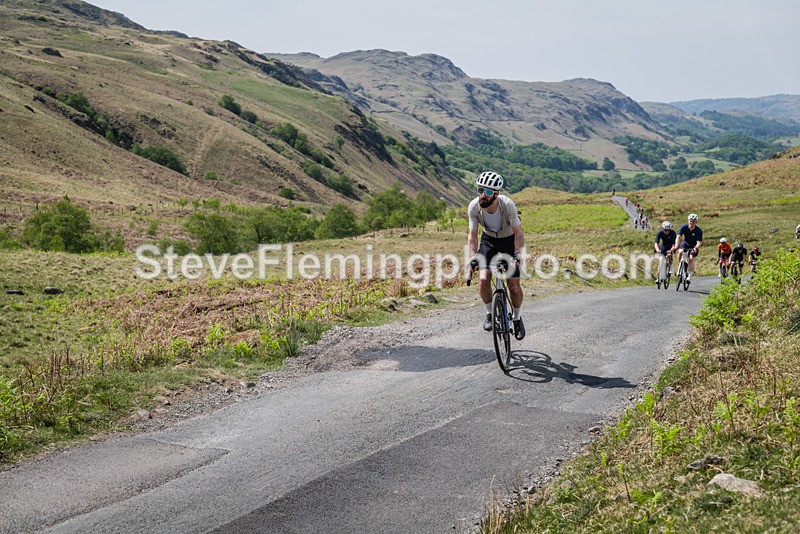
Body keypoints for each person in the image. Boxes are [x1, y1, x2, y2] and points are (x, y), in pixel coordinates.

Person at [467, 171, 526, 340]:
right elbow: (472, 235)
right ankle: (489, 314)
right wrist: (473, 257)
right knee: (484, 279)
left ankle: (516, 318)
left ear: (496, 194)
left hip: (509, 240)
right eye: (480, 190)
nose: (482, 196)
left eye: (486, 192)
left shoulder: (507, 205)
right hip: (489, 241)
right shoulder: (474, 207)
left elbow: (519, 233)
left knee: (513, 285)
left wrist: (517, 255)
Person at [676, 213, 703, 285]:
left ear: (696, 222)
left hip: (694, 246)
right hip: (686, 243)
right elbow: (678, 237)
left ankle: (689, 277)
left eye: (693, 221)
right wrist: (676, 245)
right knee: (680, 252)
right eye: (690, 221)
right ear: (688, 221)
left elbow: (699, 242)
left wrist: (696, 248)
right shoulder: (684, 227)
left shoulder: (698, 230)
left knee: (691, 258)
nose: (691, 222)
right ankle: (680, 267)